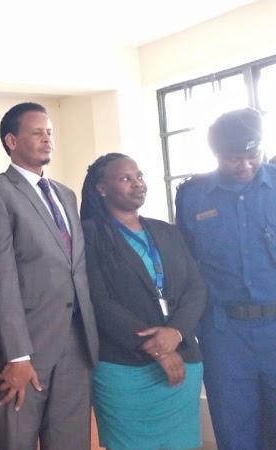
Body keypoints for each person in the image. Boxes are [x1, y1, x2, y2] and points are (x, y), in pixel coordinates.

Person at [0, 102, 99, 450]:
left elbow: (76, 268)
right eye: (37, 133)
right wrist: (17, 355)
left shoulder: (65, 194)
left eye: (49, 132)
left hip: (76, 342)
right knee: (18, 441)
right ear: (11, 140)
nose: (47, 139)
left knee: (72, 442)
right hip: (26, 348)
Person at [81, 153, 206, 450]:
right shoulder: (88, 234)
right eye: (126, 178)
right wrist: (158, 349)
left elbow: (196, 288)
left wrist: (176, 332)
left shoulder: (167, 231)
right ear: (102, 188)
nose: (138, 184)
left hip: (182, 360)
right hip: (124, 368)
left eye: (139, 176)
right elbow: (97, 300)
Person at [176, 107, 276, 449]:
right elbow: (186, 266)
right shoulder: (192, 196)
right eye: (234, 159)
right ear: (217, 154)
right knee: (235, 430)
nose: (245, 166)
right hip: (224, 333)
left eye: (253, 155)